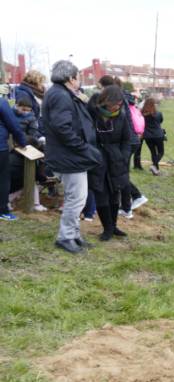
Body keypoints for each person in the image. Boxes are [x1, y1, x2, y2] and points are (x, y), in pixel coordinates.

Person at [42, 60, 102, 253]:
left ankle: (74, 235)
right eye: (78, 77)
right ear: (70, 78)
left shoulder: (59, 93)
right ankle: (66, 237)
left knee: (77, 198)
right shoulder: (60, 95)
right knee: (76, 199)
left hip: (69, 156)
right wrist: (83, 148)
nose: (79, 80)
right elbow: (63, 128)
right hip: (69, 156)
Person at [87, 85, 130, 241]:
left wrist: (123, 156)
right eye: (115, 103)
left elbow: (127, 139)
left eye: (120, 104)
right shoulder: (91, 113)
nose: (117, 107)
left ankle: (114, 226)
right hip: (97, 159)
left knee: (114, 193)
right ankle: (107, 228)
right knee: (101, 194)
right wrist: (92, 154)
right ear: (106, 100)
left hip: (115, 160)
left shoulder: (121, 116)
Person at [1, 98, 28, 221]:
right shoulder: (2, 103)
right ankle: (2, 210)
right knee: (3, 179)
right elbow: (13, 125)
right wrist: (22, 142)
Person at [141, 97, 165, 176]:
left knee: (153, 153)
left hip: (147, 136)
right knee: (161, 152)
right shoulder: (158, 113)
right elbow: (161, 121)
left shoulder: (142, 114)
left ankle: (156, 171)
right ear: (153, 104)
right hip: (158, 135)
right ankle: (154, 165)